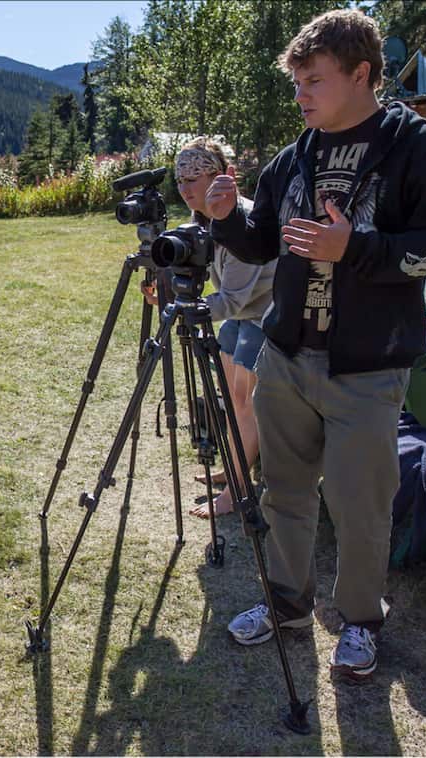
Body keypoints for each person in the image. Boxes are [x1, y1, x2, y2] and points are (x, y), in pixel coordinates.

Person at [203, 9, 426, 679]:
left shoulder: (419, 148)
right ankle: (288, 605)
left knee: (360, 505)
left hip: (368, 364)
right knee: (284, 492)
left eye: (313, 81)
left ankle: (359, 622)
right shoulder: (298, 155)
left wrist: (356, 247)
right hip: (288, 356)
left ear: (362, 74)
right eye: (296, 82)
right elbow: (262, 238)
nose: (301, 95)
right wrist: (224, 217)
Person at [143, 137, 276, 520]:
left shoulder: (241, 224)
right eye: (179, 180)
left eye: (193, 179)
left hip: (264, 314)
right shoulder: (200, 220)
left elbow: (231, 298)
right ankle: (234, 471)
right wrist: (164, 288)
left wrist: (180, 307)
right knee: (231, 400)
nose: (184, 189)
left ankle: (236, 492)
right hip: (239, 314)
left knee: (244, 402)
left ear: (217, 179)